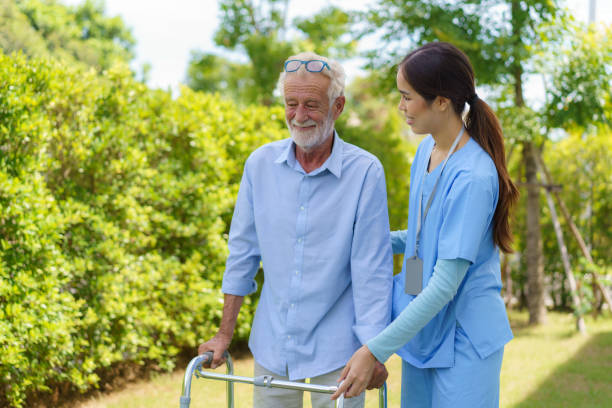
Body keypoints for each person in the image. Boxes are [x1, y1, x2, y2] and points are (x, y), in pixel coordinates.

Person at [198, 51, 393, 408]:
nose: (299, 116)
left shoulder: (365, 171)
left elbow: (372, 270)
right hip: (273, 345)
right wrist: (224, 333)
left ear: (338, 106)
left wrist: (373, 349)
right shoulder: (259, 164)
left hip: (340, 351)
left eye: (312, 105)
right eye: (291, 103)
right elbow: (242, 254)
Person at [332, 42, 519, 407]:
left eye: (407, 97)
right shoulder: (426, 152)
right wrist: (359, 241)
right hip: (425, 330)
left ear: (442, 101)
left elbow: (444, 285)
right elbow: (420, 239)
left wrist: (375, 350)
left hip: (465, 337)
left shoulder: (473, 176)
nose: (400, 107)